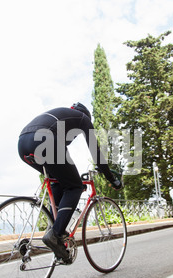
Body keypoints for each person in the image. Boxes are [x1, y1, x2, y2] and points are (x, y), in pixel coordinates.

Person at [18, 103, 122, 263]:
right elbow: (96, 153)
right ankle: (55, 235)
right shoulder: (83, 119)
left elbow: (63, 162)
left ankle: (55, 228)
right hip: (44, 140)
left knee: (59, 181)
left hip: (23, 142)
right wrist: (112, 178)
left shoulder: (60, 118)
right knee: (75, 187)